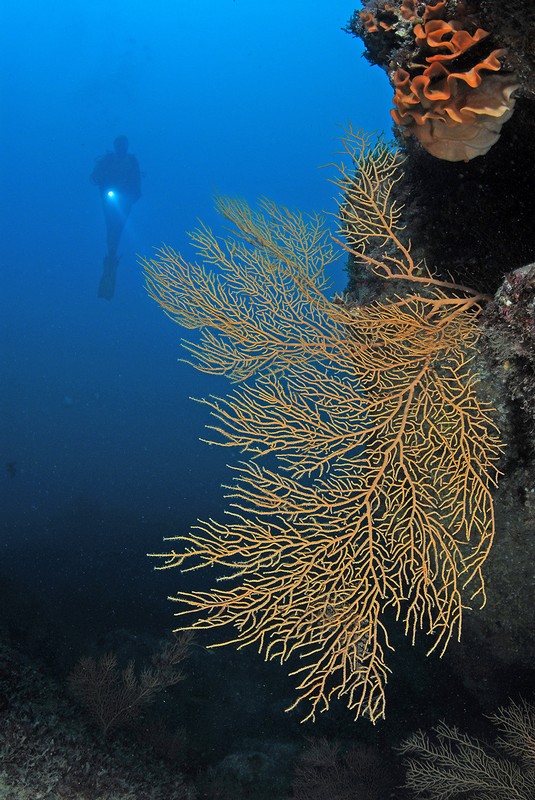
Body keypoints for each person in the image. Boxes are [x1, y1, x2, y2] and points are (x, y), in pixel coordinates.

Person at [91, 136, 141, 299]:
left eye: (124, 145)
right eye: (119, 145)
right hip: (110, 197)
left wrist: (134, 196)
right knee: (111, 226)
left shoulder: (132, 161)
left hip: (125, 199)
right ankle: (111, 256)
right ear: (115, 146)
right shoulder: (108, 160)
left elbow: (137, 182)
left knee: (117, 227)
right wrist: (103, 182)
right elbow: (95, 177)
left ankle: (112, 257)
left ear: (127, 146)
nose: (121, 147)